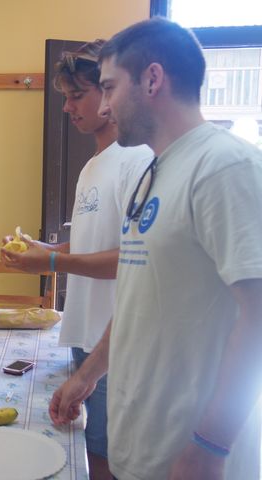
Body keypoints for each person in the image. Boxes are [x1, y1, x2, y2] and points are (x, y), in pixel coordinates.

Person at [49, 18, 262, 480]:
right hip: (141, 444)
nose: (104, 105)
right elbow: (137, 298)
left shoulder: (226, 167)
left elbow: (258, 315)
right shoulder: (154, 174)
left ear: (152, 79)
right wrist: (88, 376)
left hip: (193, 455)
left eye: (108, 87)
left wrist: (209, 445)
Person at [1, 40, 152, 480]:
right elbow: (89, 242)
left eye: (76, 95)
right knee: (86, 448)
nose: (67, 108)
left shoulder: (136, 160)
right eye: (65, 97)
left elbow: (134, 259)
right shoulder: (92, 165)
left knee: (106, 458)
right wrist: (40, 251)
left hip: (117, 343)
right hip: (84, 333)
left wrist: (51, 266)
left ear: (109, 94)